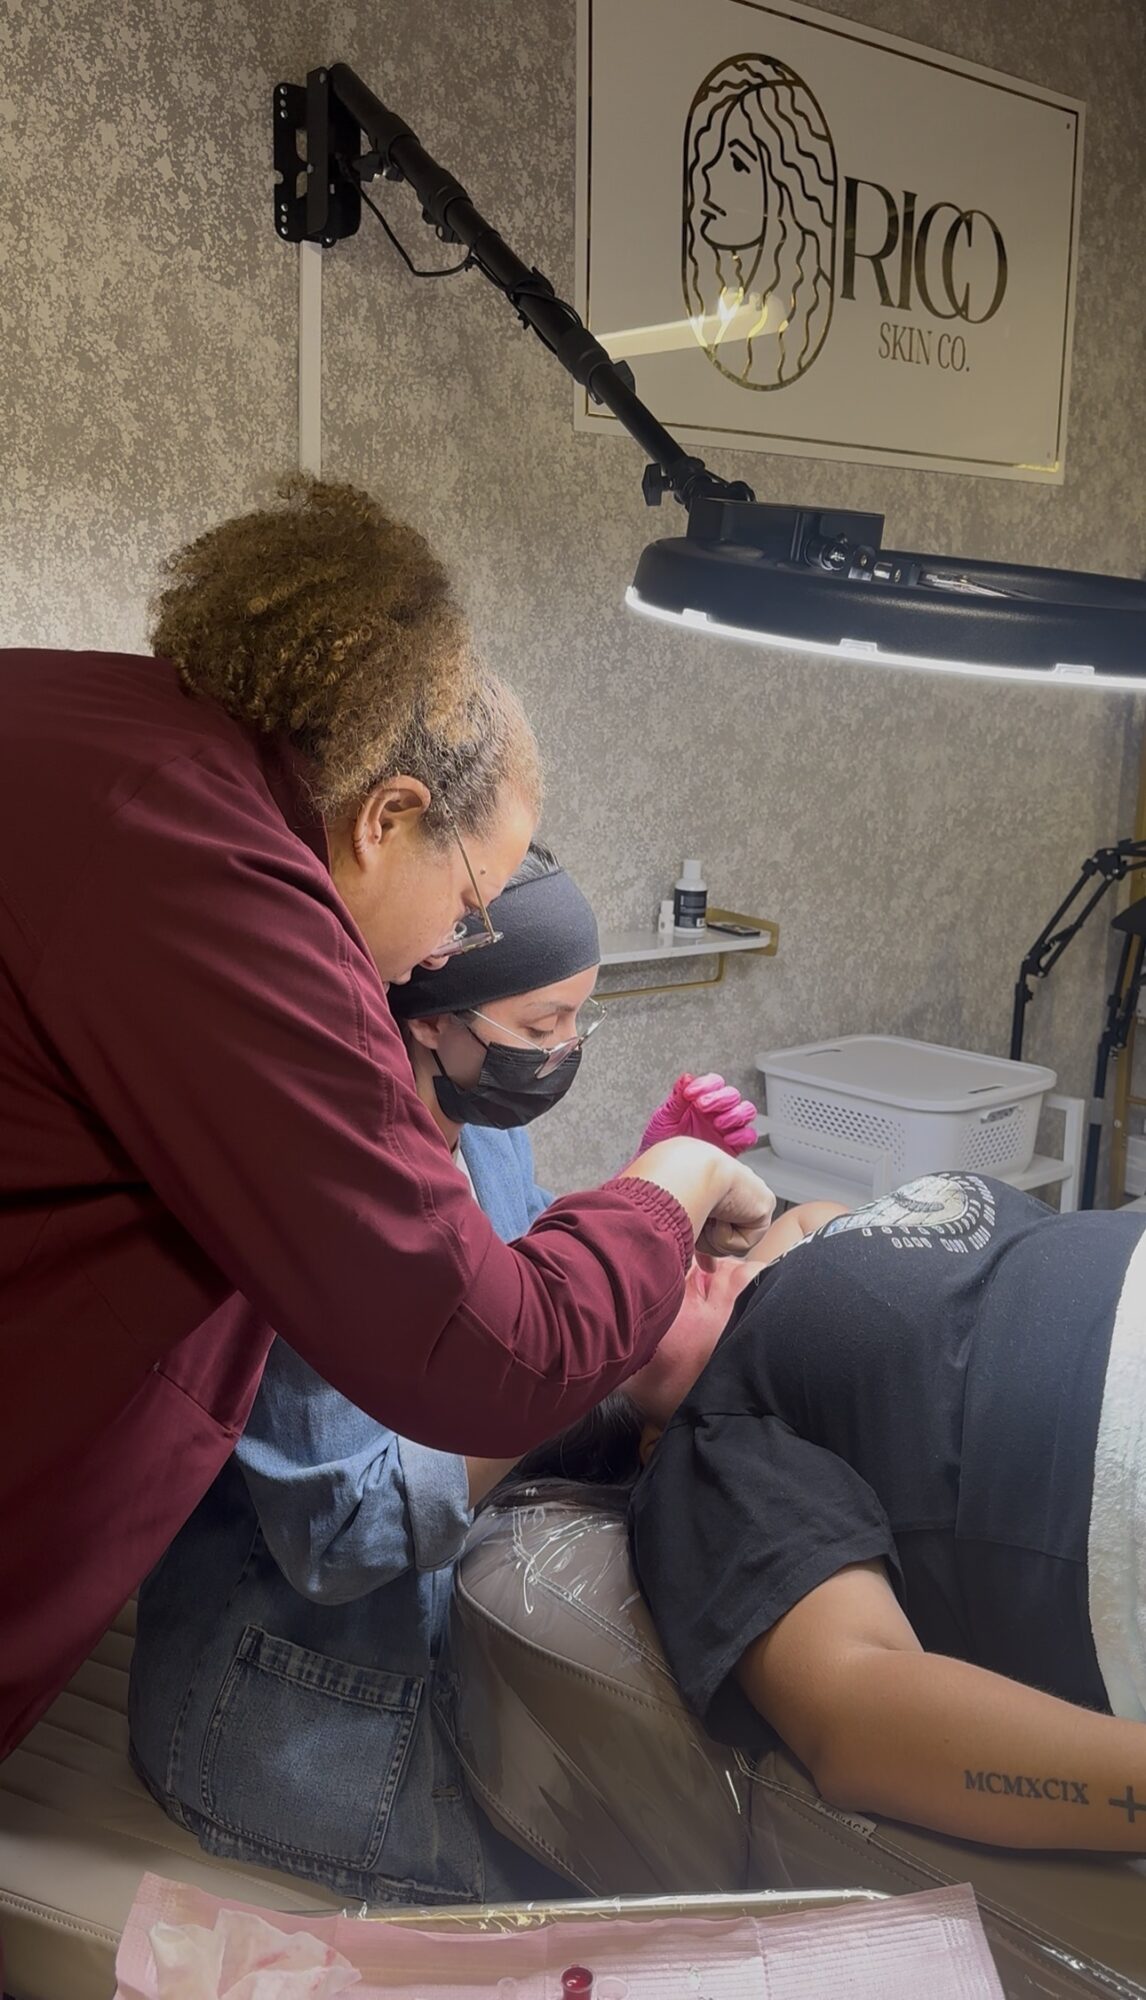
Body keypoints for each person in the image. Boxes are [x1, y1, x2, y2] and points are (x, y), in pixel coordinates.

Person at [0, 476, 774, 1761]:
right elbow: (487, 1349)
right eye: (469, 907)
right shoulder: (228, 891)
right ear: (388, 816)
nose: (444, 953)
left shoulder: (95, 716)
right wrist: (674, 1182)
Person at [129, 842, 760, 1903]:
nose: (563, 1051)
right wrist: (581, 1350)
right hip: (286, 1719)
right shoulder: (323, 1202)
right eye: (540, 1025)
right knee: (638, 1890)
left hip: (430, 1648)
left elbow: (515, 1297)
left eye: (577, 1020)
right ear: (431, 1016)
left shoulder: (475, 1123)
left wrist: (627, 1228)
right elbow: (345, 1528)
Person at [527, 1174, 1146, 1853]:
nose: (669, 1259)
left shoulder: (793, 1263)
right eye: (617, 1282)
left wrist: (699, 1201)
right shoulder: (705, 1442)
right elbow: (860, 1720)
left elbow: (802, 1218)